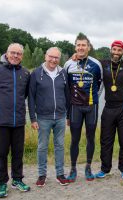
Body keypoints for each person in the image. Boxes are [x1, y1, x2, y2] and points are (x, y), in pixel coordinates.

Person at [0, 43, 31, 198]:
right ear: (7, 53)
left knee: (18, 153)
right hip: (0, 121)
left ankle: (17, 179)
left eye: (18, 54)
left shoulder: (25, 73)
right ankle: (2, 183)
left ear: (22, 56)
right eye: (13, 53)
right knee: (1, 153)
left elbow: (24, 95)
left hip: (18, 121)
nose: (15, 56)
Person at [28, 47, 70, 187]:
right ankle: (42, 175)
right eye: (51, 57)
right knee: (42, 147)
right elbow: (31, 97)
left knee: (60, 146)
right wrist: (32, 118)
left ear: (59, 59)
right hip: (43, 118)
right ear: (45, 56)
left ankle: (60, 174)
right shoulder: (36, 73)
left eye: (56, 58)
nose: (53, 60)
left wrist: (68, 114)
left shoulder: (63, 73)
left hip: (60, 116)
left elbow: (67, 95)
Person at [64, 33, 103, 182]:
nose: (81, 47)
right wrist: (68, 109)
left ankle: (88, 167)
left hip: (91, 107)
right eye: (78, 45)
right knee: (75, 139)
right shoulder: (69, 64)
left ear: (89, 47)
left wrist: (92, 98)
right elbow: (66, 87)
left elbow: (100, 85)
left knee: (90, 138)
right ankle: (73, 169)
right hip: (75, 108)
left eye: (84, 45)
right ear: (75, 47)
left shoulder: (96, 64)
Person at [95, 40, 123, 180]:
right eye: (114, 49)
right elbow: (86, 60)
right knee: (106, 141)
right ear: (111, 50)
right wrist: (74, 56)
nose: (116, 52)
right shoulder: (102, 63)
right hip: (109, 108)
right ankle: (105, 169)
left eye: (119, 50)